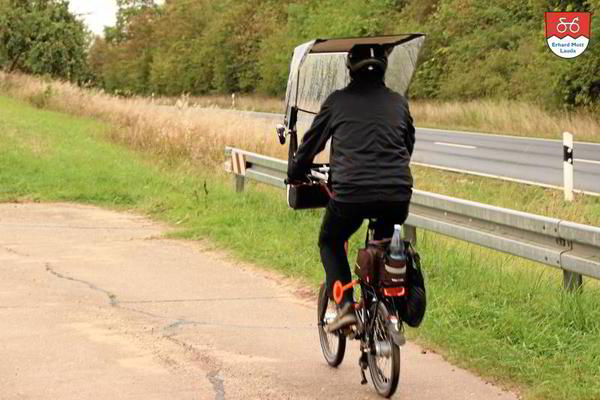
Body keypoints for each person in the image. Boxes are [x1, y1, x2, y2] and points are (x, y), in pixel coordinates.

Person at [287, 43, 415, 331]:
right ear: (384, 68)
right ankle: (385, 304)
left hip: (352, 194)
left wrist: (295, 171)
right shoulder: (398, 102)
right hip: (397, 193)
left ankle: (344, 306)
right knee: (382, 240)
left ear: (350, 70)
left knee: (330, 241)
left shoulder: (337, 102)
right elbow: (407, 146)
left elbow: (310, 147)